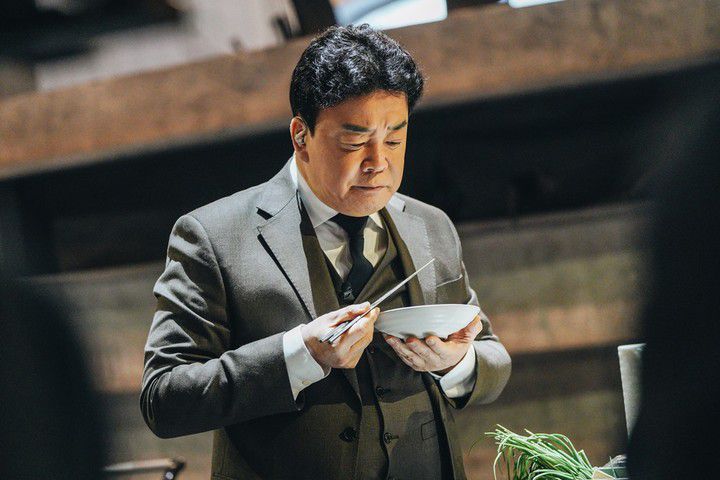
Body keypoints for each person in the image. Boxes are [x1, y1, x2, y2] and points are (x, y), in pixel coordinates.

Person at [140, 24, 511, 480]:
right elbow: (164, 400)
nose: (378, 163)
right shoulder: (212, 236)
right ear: (301, 136)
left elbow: (493, 360)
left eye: (395, 140)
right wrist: (299, 355)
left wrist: (457, 363)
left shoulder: (431, 225)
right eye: (354, 142)